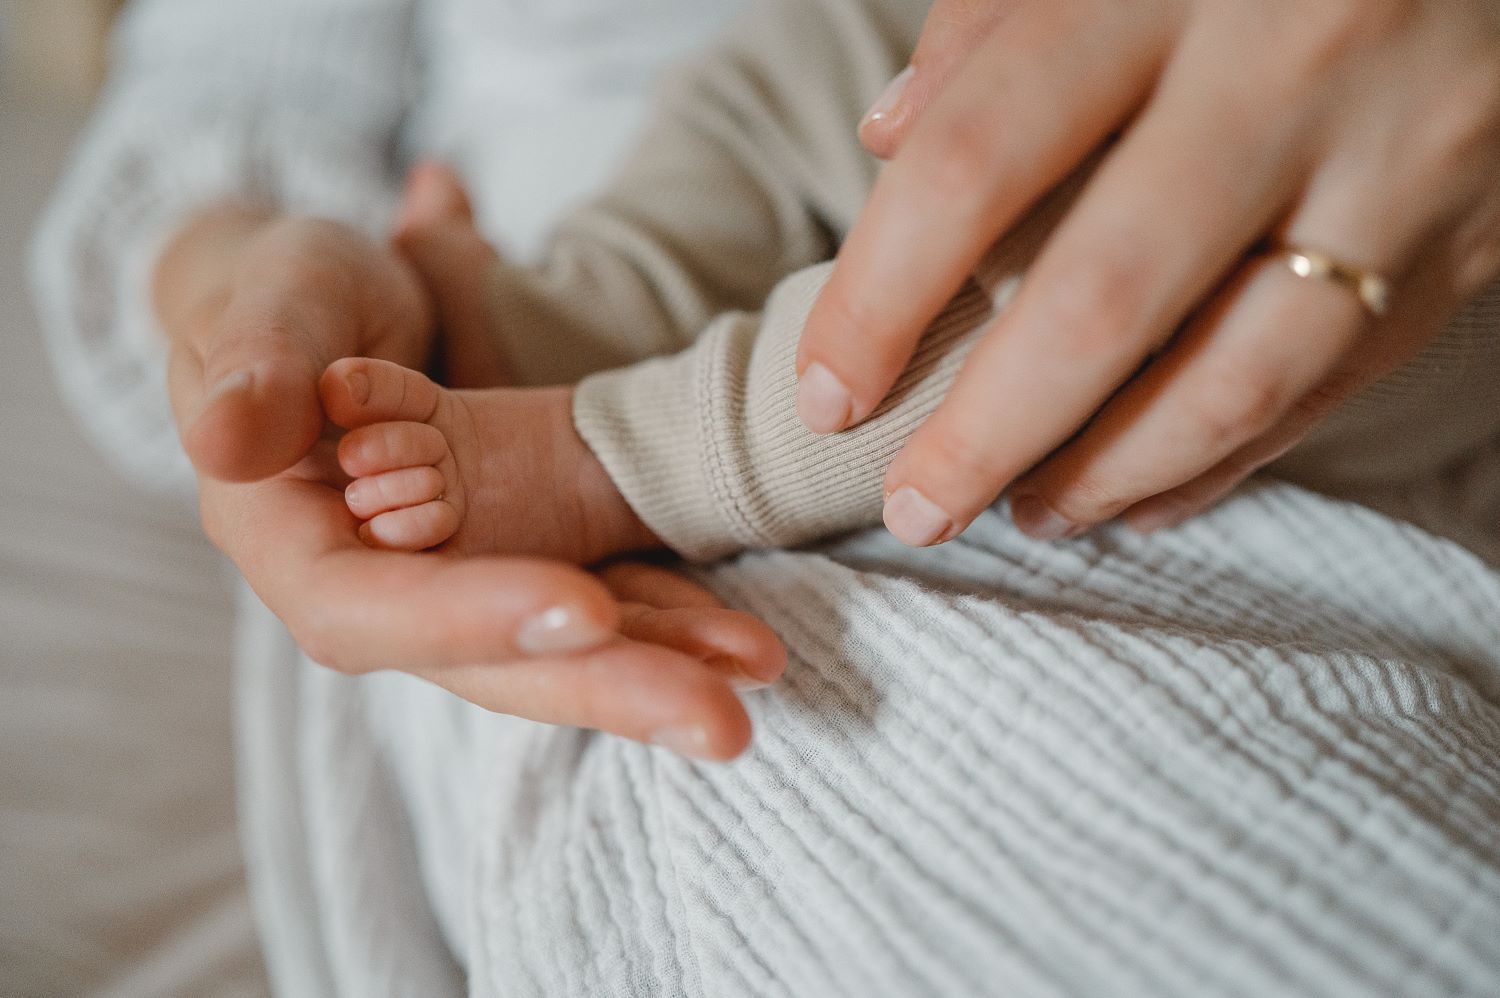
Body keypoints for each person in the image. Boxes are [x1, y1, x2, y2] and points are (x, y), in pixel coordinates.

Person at [32, 0, 1500, 994]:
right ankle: (574, 371)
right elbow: (214, 107)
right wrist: (253, 300)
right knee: (773, 766)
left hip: (1341, 196)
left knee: (1096, 312)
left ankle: (615, 436)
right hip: (696, 164)